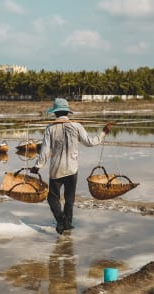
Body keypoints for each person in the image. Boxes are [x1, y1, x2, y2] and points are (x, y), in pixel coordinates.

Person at [30, 98, 112, 235]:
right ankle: (67, 224)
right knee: (69, 198)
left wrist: (37, 166)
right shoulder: (77, 126)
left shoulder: (50, 128)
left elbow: (44, 152)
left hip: (56, 169)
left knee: (52, 198)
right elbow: (90, 142)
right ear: (67, 112)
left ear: (55, 113)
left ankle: (61, 221)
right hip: (72, 169)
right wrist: (103, 132)